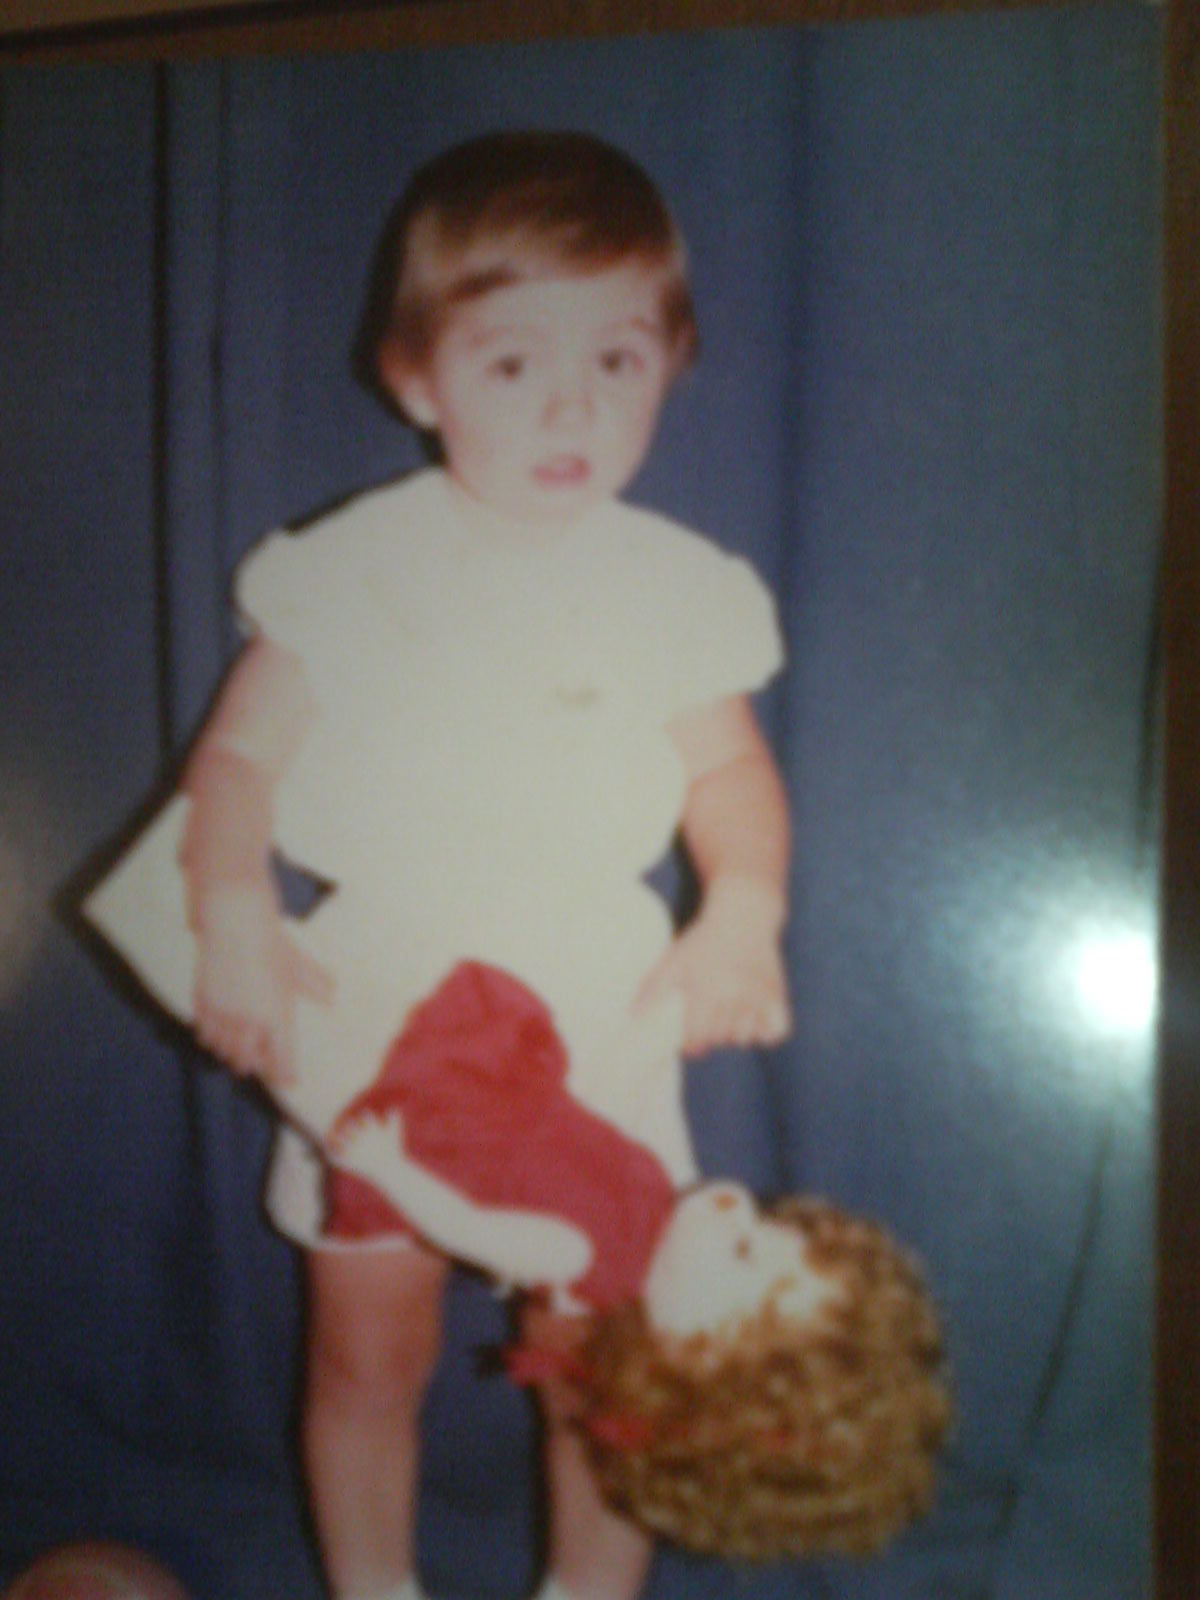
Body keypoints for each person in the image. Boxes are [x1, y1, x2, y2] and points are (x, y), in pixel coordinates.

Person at [86, 131, 792, 1600]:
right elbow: (237, 765)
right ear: (416, 379)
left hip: (595, 1008)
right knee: (368, 1349)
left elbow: (729, 777)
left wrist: (743, 908)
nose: (569, 407)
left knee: (604, 1359)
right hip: (378, 1000)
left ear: (673, 366)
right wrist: (232, 911)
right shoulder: (350, 568)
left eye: (616, 360)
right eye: (511, 363)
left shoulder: (675, 588)